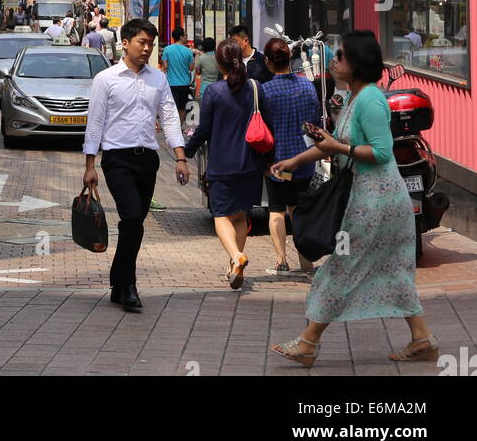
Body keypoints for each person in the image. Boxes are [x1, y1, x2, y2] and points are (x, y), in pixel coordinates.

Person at [270, 31, 438, 367]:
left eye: (341, 56)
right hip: (368, 198)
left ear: (358, 62)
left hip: (378, 201)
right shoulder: (352, 98)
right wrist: (295, 160)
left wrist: (338, 147)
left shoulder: (371, 100)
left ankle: (308, 342)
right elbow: (334, 145)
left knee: (343, 266)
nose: (333, 61)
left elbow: (380, 152)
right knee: (391, 271)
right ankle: (422, 338)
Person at [83, 19, 188, 312]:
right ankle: (128, 284)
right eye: (141, 43)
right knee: (130, 216)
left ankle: (118, 280)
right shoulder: (106, 79)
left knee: (135, 223)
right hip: (117, 159)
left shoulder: (158, 79)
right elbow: (95, 122)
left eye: (151, 45)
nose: (146, 49)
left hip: (148, 160)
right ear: (125, 43)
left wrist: (180, 157)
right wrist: (90, 165)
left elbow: (169, 118)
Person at [184, 40, 271, 289]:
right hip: (250, 163)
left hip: (222, 163)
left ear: (219, 63)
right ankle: (235, 265)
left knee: (220, 215)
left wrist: (186, 151)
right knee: (240, 215)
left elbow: (204, 130)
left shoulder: (214, 92)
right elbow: (269, 125)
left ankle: (236, 257)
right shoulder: (256, 88)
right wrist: (268, 161)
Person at [260, 37, 320, 275]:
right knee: (299, 209)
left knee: (276, 209)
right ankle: (306, 262)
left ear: (267, 61)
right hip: (304, 161)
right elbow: (315, 122)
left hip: (278, 164)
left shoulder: (265, 91)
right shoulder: (307, 86)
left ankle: (281, 260)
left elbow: (261, 129)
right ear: (290, 59)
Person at [160, 27, 196, 125]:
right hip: (184, 83)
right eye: (185, 35)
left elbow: (165, 66)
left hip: (171, 84)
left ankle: (172, 125)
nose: (186, 37)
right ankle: (179, 125)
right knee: (182, 107)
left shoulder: (167, 49)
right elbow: (192, 68)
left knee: (172, 106)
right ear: (180, 37)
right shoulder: (188, 51)